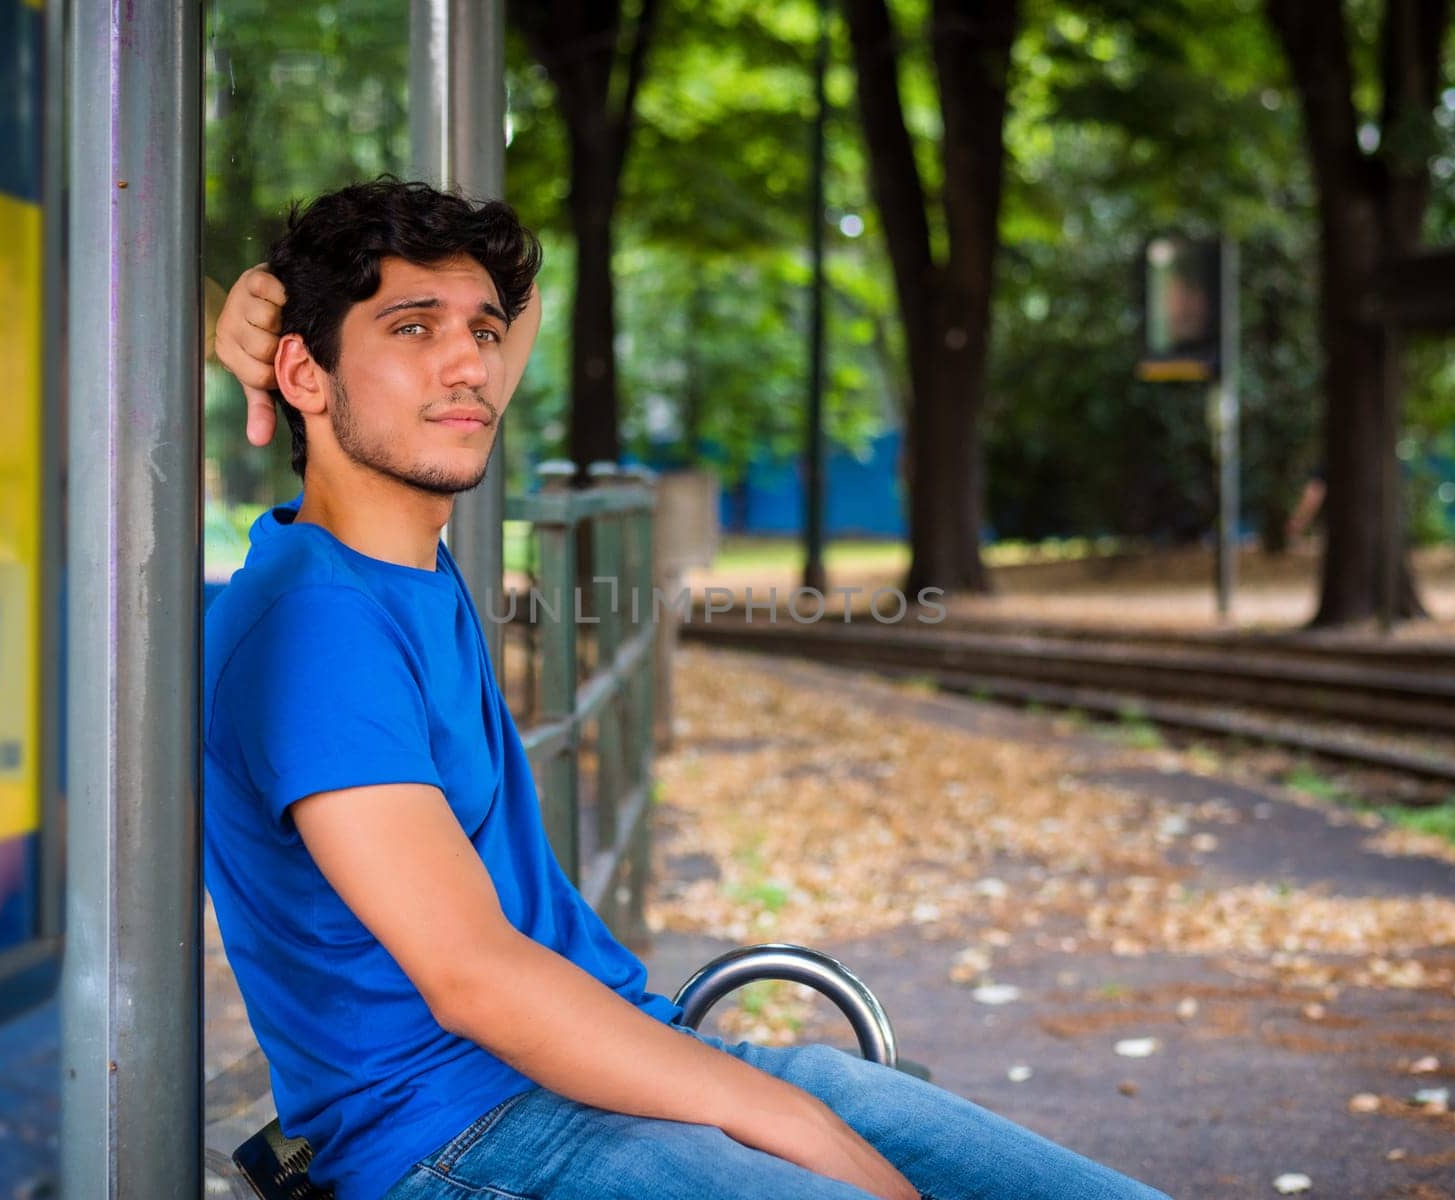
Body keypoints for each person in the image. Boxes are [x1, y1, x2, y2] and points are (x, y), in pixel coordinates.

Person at [207, 178, 1170, 1200]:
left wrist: (273, 291)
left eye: (480, 334)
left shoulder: (392, 547)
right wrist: (789, 1118)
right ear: (305, 375)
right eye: (410, 327)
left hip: (609, 1063)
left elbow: (499, 312)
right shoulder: (317, 627)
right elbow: (471, 977)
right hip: (462, 1136)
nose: (468, 365)